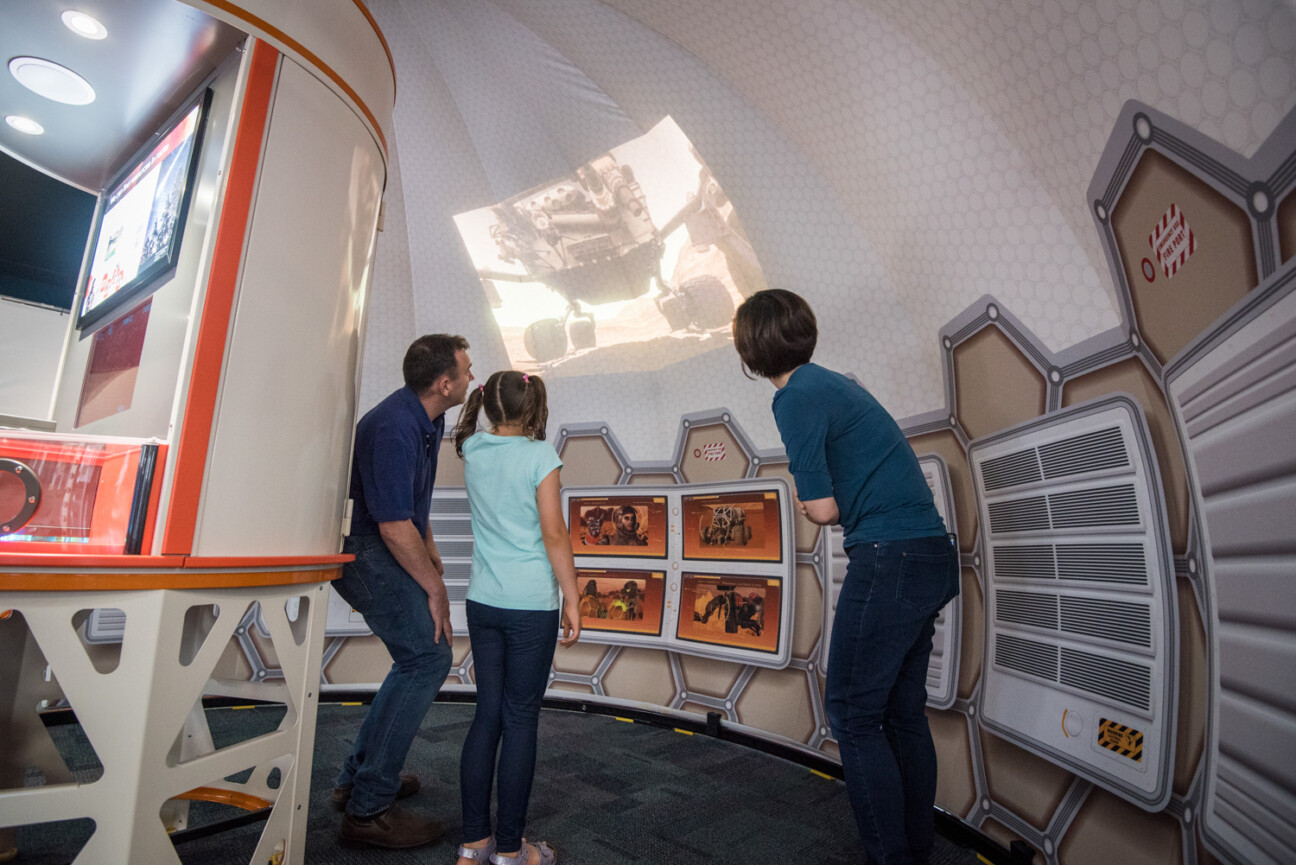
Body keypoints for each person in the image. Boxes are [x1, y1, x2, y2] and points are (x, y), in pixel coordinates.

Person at [732, 289, 959, 865]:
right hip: (929, 553)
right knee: (901, 711)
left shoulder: (796, 398)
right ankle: (916, 844)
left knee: (854, 716)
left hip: (890, 558)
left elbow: (824, 508)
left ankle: (891, 856)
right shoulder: (834, 384)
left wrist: (808, 501)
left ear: (750, 349)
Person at [331, 334, 473, 850]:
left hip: (381, 539)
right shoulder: (395, 427)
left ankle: (358, 780)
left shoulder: (427, 419)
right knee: (427, 658)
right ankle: (368, 810)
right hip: (366, 550)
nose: (471, 378)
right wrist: (435, 590)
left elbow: (414, 506)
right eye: (466, 370)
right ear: (444, 383)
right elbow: (392, 525)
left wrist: (432, 551)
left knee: (417, 657)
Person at [451, 370, 581, 865]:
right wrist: (572, 597)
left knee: (488, 714)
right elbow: (554, 534)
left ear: (488, 405)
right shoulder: (539, 455)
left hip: (483, 601)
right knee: (520, 718)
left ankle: (473, 844)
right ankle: (510, 851)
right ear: (532, 406)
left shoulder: (475, 449)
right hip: (531, 606)